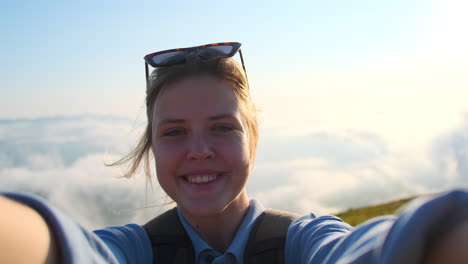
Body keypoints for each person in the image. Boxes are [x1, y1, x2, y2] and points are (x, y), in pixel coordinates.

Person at [1, 42, 468, 264]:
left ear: (254, 137)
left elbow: (370, 253)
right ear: (151, 146)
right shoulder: (133, 251)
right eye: (175, 132)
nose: (199, 151)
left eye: (222, 127)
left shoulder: (304, 243)